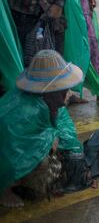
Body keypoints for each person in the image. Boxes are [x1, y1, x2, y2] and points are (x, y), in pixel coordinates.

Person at [0, 50, 89, 208]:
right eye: (63, 90)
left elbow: (64, 128)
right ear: (49, 90)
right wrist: (50, 138)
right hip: (5, 157)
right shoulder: (27, 110)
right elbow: (17, 147)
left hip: (17, 149)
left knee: (54, 152)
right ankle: (5, 189)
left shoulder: (45, 101)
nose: (67, 93)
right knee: (43, 162)